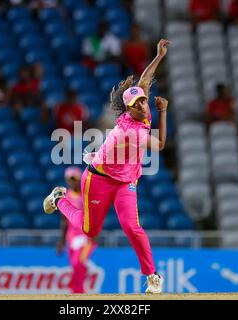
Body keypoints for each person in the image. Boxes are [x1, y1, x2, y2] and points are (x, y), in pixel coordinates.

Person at [43, 39, 170, 294]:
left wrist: (158, 56)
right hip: (99, 178)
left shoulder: (138, 110)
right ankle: (59, 199)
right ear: (129, 110)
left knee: (132, 227)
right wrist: (163, 112)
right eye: (138, 105)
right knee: (90, 230)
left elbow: (144, 80)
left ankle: (152, 276)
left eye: (144, 102)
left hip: (125, 181)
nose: (144, 106)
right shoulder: (130, 132)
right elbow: (161, 144)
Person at [57, 166, 98, 294]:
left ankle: (77, 291)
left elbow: (95, 215)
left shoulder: (86, 195)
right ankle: (76, 290)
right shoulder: (66, 196)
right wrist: (61, 240)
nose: (72, 182)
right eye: (70, 179)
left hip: (85, 236)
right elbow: (64, 221)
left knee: (77, 262)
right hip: (71, 237)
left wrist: (94, 233)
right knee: (76, 265)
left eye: (74, 179)